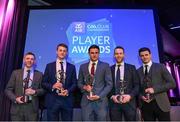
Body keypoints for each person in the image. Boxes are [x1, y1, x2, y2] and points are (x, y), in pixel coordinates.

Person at [137, 47, 176, 121]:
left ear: (150, 55)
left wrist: (154, 89)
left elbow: (172, 83)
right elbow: (137, 88)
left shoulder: (161, 67)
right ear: (140, 57)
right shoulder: (138, 71)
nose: (144, 57)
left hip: (161, 104)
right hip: (145, 106)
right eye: (142, 56)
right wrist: (141, 96)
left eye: (146, 55)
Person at [42, 43, 77, 121]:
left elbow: (74, 83)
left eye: (64, 51)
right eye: (60, 50)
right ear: (56, 52)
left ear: (67, 53)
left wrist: (68, 91)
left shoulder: (72, 67)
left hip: (67, 100)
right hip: (52, 100)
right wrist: (52, 86)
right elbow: (43, 82)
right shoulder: (49, 66)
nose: (62, 52)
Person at [5, 52, 44, 121]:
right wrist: (15, 99)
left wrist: (34, 91)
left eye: (32, 59)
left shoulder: (39, 75)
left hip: (32, 110)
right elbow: (8, 89)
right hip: (17, 109)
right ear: (24, 60)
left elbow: (43, 90)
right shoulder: (16, 73)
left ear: (34, 61)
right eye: (27, 58)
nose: (29, 60)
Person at [78, 44, 113, 121]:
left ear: (99, 53)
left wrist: (100, 96)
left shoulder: (105, 66)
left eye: (96, 52)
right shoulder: (82, 66)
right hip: (86, 101)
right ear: (89, 53)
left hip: (101, 102)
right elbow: (79, 83)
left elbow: (109, 84)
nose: (94, 54)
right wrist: (85, 87)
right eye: (92, 53)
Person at [108, 46, 139, 121]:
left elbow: (137, 85)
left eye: (120, 53)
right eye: (116, 54)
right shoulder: (109, 69)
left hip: (129, 103)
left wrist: (130, 96)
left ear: (124, 55)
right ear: (114, 55)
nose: (118, 55)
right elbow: (107, 86)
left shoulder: (132, 68)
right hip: (114, 104)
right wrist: (112, 96)